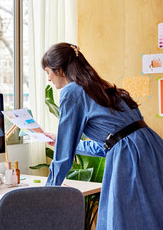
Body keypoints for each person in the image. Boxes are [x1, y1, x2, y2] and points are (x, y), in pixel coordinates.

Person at [42, 42, 163, 229]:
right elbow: (111, 144)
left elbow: (63, 157)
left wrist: (46, 195)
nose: (48, 79)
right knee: (153, 215)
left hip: (130, 159)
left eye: (48, 72)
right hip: (152, 148)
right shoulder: (99, 88)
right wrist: (60, 140)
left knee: (125, 220)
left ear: (60, 71)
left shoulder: (71, 92)